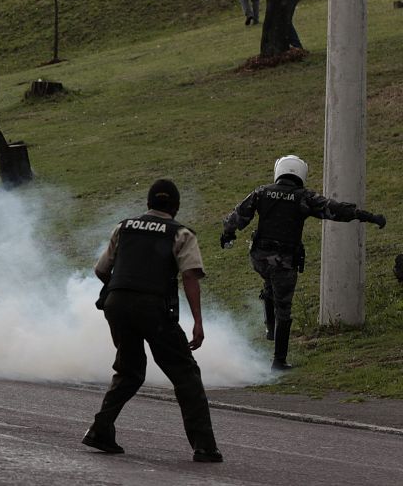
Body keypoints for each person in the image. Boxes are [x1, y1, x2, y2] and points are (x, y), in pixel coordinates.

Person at [83, 179, 222, 463]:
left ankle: (100, 430)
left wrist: (121, 289)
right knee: (185, 375)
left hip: (117, 305)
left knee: (129, 371)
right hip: (153, 309)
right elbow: (190, 277)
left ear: (147, 204)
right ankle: (204, 446)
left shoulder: (124, 227)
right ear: (176, 206)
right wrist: (197, 322)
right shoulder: (181, 233)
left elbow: (100, 269)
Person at [220, 155, 386, 370]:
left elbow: (237, 217)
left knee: (270, 285)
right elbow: (334, 209)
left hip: (259, 258)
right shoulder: (303, 197)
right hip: (284, 262)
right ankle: (279, 360)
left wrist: (228, 234)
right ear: (301, 174)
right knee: (284, 309)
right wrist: (367, 216)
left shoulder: (262, 192)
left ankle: (270, 328)